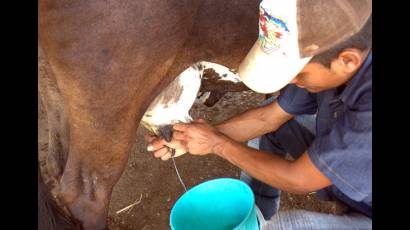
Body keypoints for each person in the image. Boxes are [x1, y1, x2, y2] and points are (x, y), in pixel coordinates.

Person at [145, 0, 372, 228]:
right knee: (277, 126)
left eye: (295, 73)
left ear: (347, 60)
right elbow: (269, 118)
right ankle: (254, 215)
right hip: (356, 177)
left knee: (289, 225)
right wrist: (194, 139)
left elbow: (299, 178)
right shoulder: (336, 60)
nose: (289, 81)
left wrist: (217, 144)